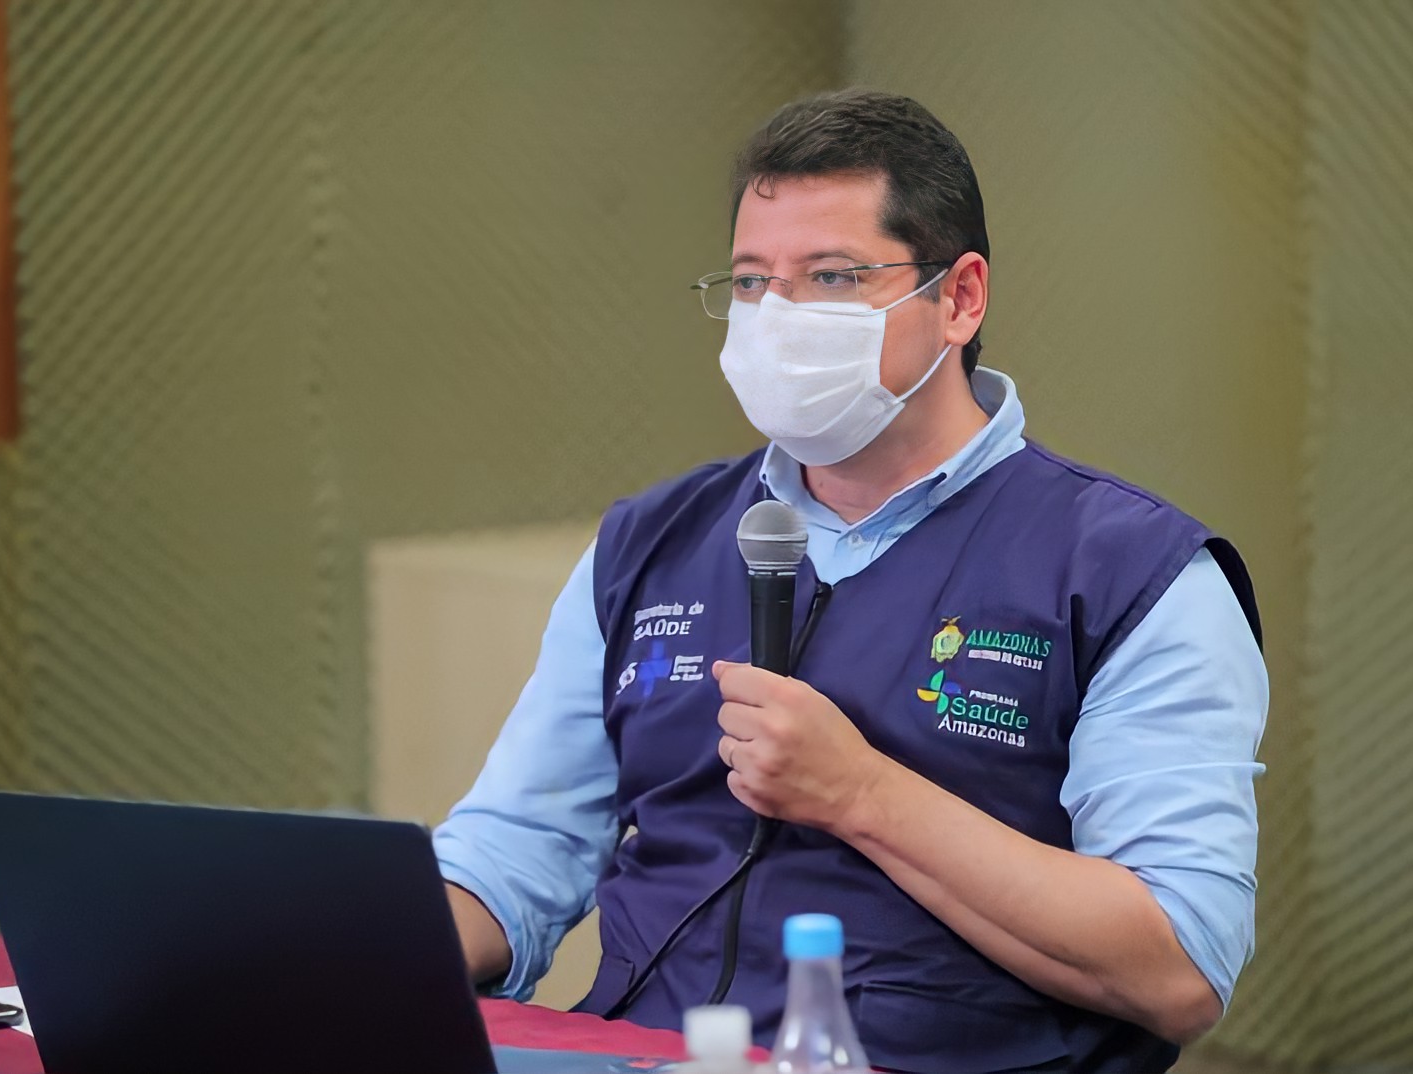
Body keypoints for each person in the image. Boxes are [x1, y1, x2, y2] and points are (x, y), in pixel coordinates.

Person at [435, 89, 1266, 1074]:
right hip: (646, 1053)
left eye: (831, 276)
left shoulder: (1128, 574)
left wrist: (860, 792)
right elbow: (515, 855)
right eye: (753, 283)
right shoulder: (646, 546)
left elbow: (1177, 967)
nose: (779, 317)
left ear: (959, 298)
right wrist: (349, 949)